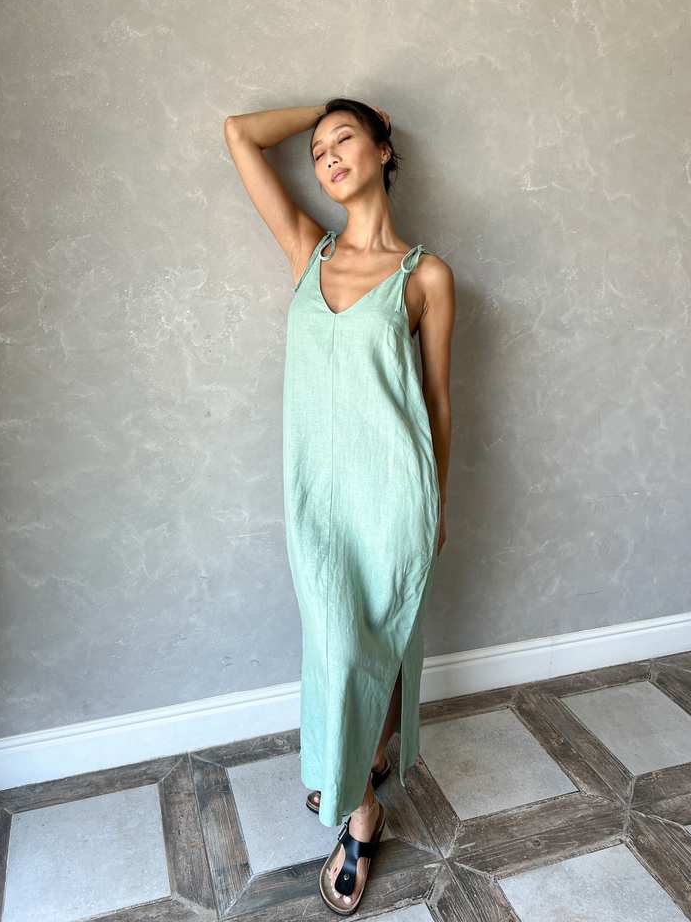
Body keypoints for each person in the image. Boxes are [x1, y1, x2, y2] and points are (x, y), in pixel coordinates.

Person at [224, 98, 454, 914]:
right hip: (319, 501)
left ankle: (359, 799)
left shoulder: (426, 276)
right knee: (338, 643)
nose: (325, 155)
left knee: (381, 641)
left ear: (384, 148)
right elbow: (239, 135)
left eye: (344, 137)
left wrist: (436, 509)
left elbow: (437, 403)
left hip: (395, 494)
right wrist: (328, 101)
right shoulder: (306, 250)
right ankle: (362, 794)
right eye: (318, 148)